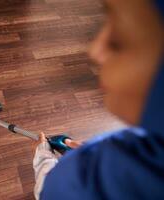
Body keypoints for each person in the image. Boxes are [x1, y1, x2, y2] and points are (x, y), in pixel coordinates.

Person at [33, 0, 164, 199]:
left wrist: (43, 157)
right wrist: (89, 149)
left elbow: (46, 190)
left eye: (119, 40)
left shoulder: (85, 184)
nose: (94, 51)